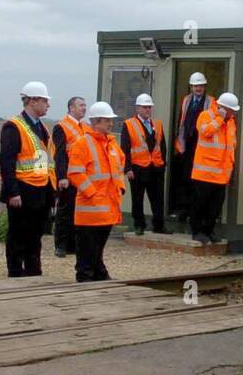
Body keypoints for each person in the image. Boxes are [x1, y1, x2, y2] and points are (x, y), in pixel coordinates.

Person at [0, 81, 57, 277]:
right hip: (22, 191)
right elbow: (6, 162)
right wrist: (12, 192)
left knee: (35, 234)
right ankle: (15, 271)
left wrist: (52, 191)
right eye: (45, 101)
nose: (48, 105)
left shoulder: (43, 128)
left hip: (41, 190)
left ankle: (33, 270)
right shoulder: (13, 127)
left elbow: (47, 161)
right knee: (17, 233)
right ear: (32, 101)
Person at [65, 101, 126, 281]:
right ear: (97, 122)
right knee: (87, 249)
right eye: (107, 120)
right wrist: (92, 193)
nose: (111, 123)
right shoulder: (82, 143)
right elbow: (75, 173)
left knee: (97, 247)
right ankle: (86, 277)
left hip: (108, 207)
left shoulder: (112, 144)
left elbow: (119, 166)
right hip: (90, 210)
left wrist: (120, 188)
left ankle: (98, 274)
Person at [189, 91, 239, 246]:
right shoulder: (206, 116)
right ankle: (197, 232)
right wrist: (219, 119)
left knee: (215, 207)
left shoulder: (230, 122)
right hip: (204, 173)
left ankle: (209, 231)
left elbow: (231, 146)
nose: (232, 113)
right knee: (200, 205)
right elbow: (205, 132)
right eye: (230, 110)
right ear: (222, 108)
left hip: (221, 174)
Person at [170, 72, 213, 229]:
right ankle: (184, 209)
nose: (198, 88)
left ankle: (197, 213)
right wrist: (179, 142)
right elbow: (181, 121)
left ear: (204, 86)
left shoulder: (210, 102)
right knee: (185, 178)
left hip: (202, 146)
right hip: (187, 144)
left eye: (200, 85)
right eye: (195, 86)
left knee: (198, 181)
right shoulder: (186, 100)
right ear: (191, 87)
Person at [122, 92, 168, 236]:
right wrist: (127, 168)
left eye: (149, 107)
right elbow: (125, 148)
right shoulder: (129, 124)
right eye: (145, 107)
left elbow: (163, 145)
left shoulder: (158, 124)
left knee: (158, 198)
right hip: (137, 168)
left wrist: (162, 164)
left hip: (156, 167)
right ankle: (139, 225)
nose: (148, 110)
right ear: (138, 108)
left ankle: (159, 225)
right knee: (137, 198)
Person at [51, 96, 88, 257]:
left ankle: (73, 245)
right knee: (64, 211)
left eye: (85, 105)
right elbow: (59, 154)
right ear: (71, 108)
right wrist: (62, 177)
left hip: (82, 176)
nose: (84, 108)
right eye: (81, 105)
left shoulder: (86, 127)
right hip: (68, 176)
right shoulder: (62, 126)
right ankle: (60, 245)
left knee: (77, 211)